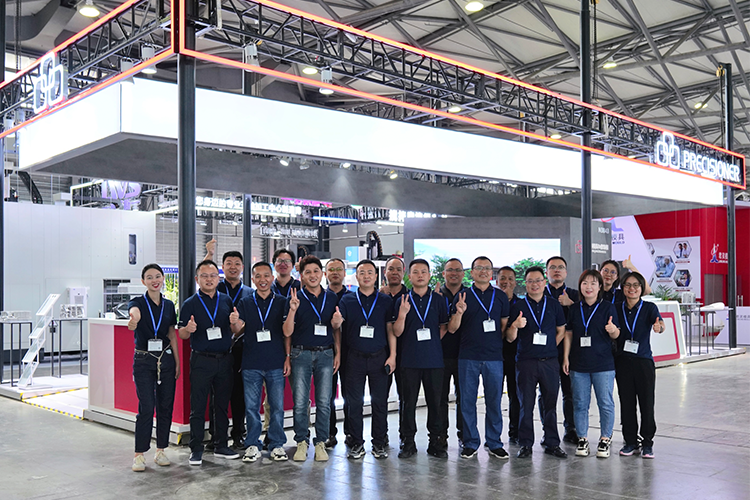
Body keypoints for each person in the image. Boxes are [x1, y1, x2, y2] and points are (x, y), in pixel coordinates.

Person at [179, 260, 240, 465]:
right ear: (197, 279)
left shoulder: (226, 300)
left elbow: (234, 330)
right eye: (204, 276)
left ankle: (221, 444)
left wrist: (234, 323)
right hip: (201, 360)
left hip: (224, 359)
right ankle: (196, 448)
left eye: (213, 276)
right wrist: (188, 329)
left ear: (218, 278)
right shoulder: (190, 304)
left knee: (221, 405)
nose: (209, 279)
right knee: (198, 406)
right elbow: (182, 334)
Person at [448, 256, 510, 460]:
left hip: (494, 357)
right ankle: (470, 442)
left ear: (491, 273)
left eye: (487, 268)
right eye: (479, 268)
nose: (483, 271)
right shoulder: (462, 296)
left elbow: (503, 327)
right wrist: (459, 312)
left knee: (494, 401)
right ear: (472, 272)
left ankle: (494, 443)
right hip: (468, 357)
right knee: (467, 402)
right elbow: (452, 328)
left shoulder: (500, 296)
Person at [229, 262, 290, 462]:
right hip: (251, 363)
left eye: (266, 276)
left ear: (272, 278)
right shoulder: (246, 302)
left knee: (277, 407)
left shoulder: (282, 302)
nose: (262, 280)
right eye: (258, 276)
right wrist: (234, 321)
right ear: (253, 279)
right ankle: (252, 444)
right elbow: (237, 330)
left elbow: (287, 332)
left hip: (275, 361)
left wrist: (287, 357)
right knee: (252, 407)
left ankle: (277, 444)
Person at [283, 255, 341, 462]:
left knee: (324, 402)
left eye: (316, 271)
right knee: (300, 402)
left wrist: (338, 353)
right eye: (308, 272)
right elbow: (287, 332)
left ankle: (320, 442)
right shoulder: (294, 298)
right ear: (301, 276)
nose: (313, 275)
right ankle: (301, 441)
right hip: (300, 354)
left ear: (322, 274)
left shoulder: (332, 298)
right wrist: (292, 310)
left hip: (326, 354)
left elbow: (336, 330)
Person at [505, 267, 567, 459]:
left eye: (538, 280)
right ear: (525, 284)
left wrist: (549, 346)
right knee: (526, 404)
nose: (535, 284)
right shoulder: (518, 306)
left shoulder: (553, 305)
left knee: (550, 404)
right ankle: (525, 444)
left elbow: (561, 330)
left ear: (544, 282)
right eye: (530, 281)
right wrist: (515, 326)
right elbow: (509, 338)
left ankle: (552, 443)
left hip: (549, 362)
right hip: (526, 362)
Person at [338, 259, 396, 459]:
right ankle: (356, 443)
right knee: (354, 403)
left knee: (380, 402)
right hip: (354, 358)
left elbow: (390, 329)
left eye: (370, 272)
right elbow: (338, 327)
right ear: (356, 276)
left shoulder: (385, 301)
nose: (366, 276)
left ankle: (379, 443)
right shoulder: (347, 300)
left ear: (376, 276)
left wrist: (393, 356)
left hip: (379, 357)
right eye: (362, 272)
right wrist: (336, 322)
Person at [393, 259, 449, 458]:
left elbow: (444, 327)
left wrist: (430, 342)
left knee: (436, 403)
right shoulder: (402, 300)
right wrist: (402, 315)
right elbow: (397, 332)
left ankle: (436, 442)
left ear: (429, 275)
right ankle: (408, 442)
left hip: (434, 360)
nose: (420, 275)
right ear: (409, 276)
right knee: (408, 403)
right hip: (409, 360)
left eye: (424, 272)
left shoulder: (439, 300)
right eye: (415, 272)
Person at [562, 269, 621, 459]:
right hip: (579, 364)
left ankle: (605, 438)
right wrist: (566, 357)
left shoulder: (608, 307)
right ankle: (583, 438)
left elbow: (617, 334)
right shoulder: (575, 308)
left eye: (593, 283)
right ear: (580, 286)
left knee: (605, 402)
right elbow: (569, 334)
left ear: (600, 287)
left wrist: (612, 330)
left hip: (603, 364)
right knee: (580, 403)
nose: (589, 287)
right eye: (585, 283)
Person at [128, 263, 180, 472]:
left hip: (166, 360)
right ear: (143, 281)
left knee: (165, 406)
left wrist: (177, 361)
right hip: (144, 361)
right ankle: (139, 454)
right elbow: (134, 313)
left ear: (163, 279)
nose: (154, 280)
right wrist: (134, 320)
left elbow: (171, 334)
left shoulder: (168, 305)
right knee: (147, 407)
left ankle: (161, 450)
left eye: (157, 276)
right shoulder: (138, 302)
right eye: (149, 277)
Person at [615, 271, 664, 459]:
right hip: (623, 362)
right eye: (628, 285)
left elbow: (660, 324)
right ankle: (630, 442)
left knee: (646, 402)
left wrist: (659, 327)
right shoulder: (616, 308)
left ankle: (648, 443)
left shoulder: (649, 308)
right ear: (623, 288)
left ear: (642, 288)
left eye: (636, 285)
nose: (632, 288)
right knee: (627, 403)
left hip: (643, 361)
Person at [217, 250, 253, 449]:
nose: (233, 267)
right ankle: (217, 436)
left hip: (241, 349)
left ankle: (239, 433)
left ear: (242, 267)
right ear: (222, 267)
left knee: (240, 394)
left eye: (237, 263)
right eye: (229, 263)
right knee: (218, 395)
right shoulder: (215, 289)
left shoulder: (249, 292)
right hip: (218, 349)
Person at [544, 256, 579, 444]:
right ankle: (547, 431)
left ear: (566, 272)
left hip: (569, 353)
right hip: (544, 352)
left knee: (570, 393)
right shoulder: (539, 293)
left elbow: (586, 317)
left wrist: (571, 304)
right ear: (546, 272)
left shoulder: (575, 294)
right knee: (546, 394)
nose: (556, 270)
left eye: (560, 267)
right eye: (553, 267)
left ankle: (571, 428)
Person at [438, 258, 466, 448]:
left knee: (464, 398)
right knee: (439, 398)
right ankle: (440, 436)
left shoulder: (470, 295)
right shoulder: (435, 296)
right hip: (439, 355)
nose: (454, 273)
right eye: (450, 270)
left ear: (463, 274)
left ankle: (464, 435)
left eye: (457, 270)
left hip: (465, 355)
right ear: (444, 273)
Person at [380, 256, 408, 446]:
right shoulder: (378, 297)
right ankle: (381, 436)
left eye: (398, 269)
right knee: (381, 398)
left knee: (405, 398)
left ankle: (405, 437)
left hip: (406, 355)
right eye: (391, 269)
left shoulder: (410, 296)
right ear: (385, 272)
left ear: (404, 273)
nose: (395, 272)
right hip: (382, 355)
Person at [324, 258, 351, 449]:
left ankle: (350, 432)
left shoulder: (353, 297)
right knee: (327, 396)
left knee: (350, 395)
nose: (335, 272)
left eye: (338, 269)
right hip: (326, 353)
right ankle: (329, 433)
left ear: (344, 273)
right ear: (325, 274)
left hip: (350, 353)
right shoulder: (321, 297)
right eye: (331, 269)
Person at [497, 265, 520, 445]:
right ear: (497, 281)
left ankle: (515, 431)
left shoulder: (521, 305)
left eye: (510, 279)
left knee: (516, 395)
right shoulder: (491, 301)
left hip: (515, 356)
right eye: (503, 278)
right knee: (494, 396)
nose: (506, 282)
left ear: (515, 282)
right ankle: (494, 435)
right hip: (494, 356)